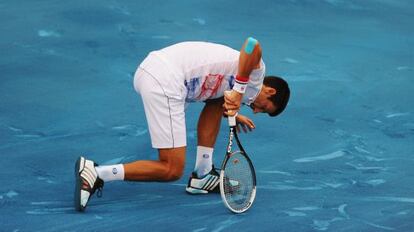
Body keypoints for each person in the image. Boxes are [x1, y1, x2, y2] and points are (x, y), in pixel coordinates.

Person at [74, 37, 290, 211]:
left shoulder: (238, 88)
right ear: (270, 91)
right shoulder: (255, 77)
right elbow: (252, 45)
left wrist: (233, 108)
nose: (255, 110)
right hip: (166, 80)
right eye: (263, 108)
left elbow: (220, 99)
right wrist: (240, 89)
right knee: (171, 169)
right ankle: (97, 173)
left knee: (215, 102)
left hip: (156, 69)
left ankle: (203, 175)